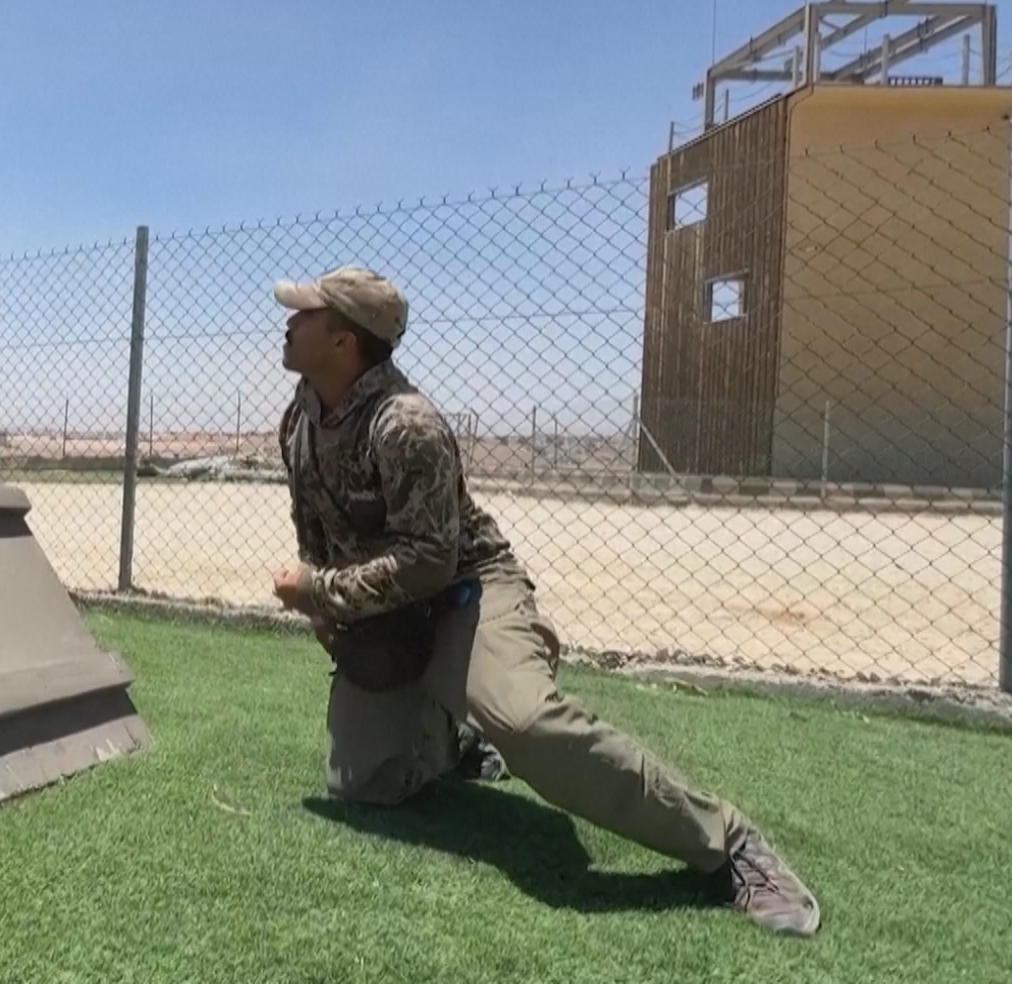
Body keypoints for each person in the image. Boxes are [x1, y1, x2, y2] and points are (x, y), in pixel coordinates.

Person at [266, 265, 821, 938]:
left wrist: (320, 592)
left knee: (528, 724)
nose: (289, 322)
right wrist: (332, 610)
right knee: (362, 784)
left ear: (344, 343)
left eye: (305, 315)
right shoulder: (300, 417)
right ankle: (460, 738)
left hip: (466, 588)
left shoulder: (405, 425)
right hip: (390, 603)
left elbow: (428, 562)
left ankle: (728, 842)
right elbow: (318, 530)